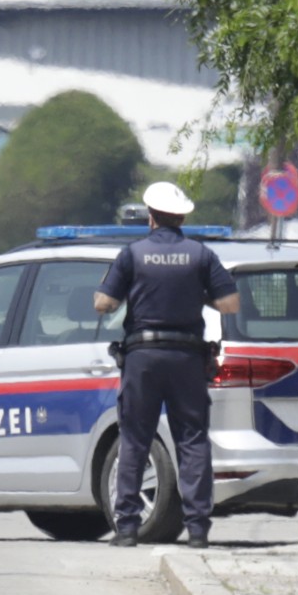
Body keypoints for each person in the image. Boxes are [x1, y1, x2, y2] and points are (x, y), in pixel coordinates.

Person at [94, 180, 240, 548]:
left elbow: (102, 304)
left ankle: (126, 528)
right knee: (192, 440)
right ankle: (197, 530)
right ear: (181, 218)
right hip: (187, 358)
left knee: (135, 438)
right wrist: (196, 295)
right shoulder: (201, 255)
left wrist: (130, 292)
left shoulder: (132, 254)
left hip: (142, 358)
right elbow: (230, 304)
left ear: (151, 218)